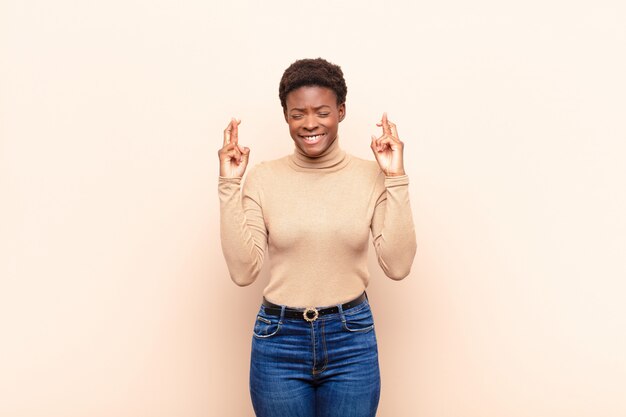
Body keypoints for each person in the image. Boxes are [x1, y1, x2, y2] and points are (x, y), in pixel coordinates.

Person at [217, 58, 417, 417]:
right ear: (287, 117)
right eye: (298, 114)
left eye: (322, 111)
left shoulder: (371, 176)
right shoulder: (263, 178)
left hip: (350, 339)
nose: (310, 123)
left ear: (340, 111)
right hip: (279, 341)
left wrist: (396, 177)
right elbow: (243, 271)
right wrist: (230, 184)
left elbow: (398, 265)